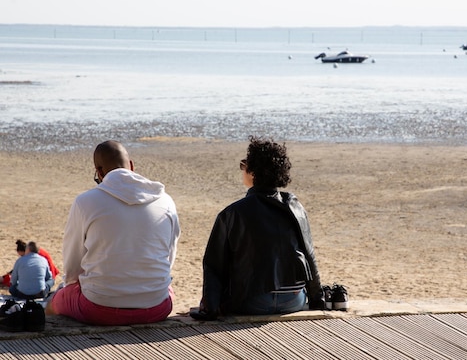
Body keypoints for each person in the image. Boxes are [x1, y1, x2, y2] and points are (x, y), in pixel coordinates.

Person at [46, 140, 180, 325]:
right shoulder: (166, 201)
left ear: (99, 172)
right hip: (157, 307)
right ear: (131, 166)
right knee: (166, 286)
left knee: (55, 301)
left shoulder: (85, 202)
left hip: (98, 308)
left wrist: (71, 286)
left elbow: (72, 267)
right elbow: (168, 258)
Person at [191, 136, 324, 320]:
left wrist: (210, 309)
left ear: (253, 172)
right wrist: (317, 299)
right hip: (294, 300)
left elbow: (214, 265)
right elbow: (309, 255)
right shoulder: (295, 207)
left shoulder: (232, 213)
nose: (243, 170)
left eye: (244, 165)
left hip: (252, 302)